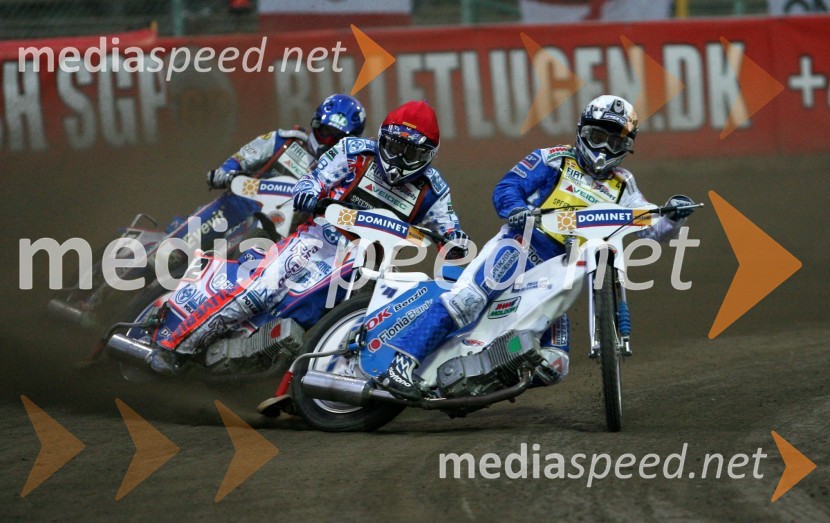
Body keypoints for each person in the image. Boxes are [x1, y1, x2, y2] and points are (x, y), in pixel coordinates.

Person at [375, 95, 697, 400]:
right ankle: (399, 365)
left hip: (561, 275)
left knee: (554, 364)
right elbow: (508, 186)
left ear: (626, 147)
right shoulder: (552, 158)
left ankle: (475, 378)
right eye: (597, 137)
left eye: (614, 142)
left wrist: (673, 216)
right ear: (582, 132)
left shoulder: (624, 184)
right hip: (520, 248)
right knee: (466, 301)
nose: (603, 148)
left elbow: (650, 227)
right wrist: (516, 209)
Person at [158, 100, 470, 357]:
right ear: (382, 138)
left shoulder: (434, 190)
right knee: (258, 292)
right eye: (395, 146)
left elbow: (450, 228)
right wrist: (309, 191)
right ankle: (175, 347)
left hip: (364, 269)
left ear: (428, 155)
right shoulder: (354, 151)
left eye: (411, 153)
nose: (399, 159)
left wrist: (455, 241)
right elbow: (315, 177)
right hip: (316, 239)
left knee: (340, 323)